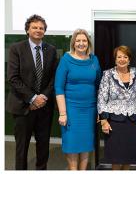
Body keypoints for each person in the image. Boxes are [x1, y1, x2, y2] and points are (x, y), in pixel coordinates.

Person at [6, 14, 57, 170]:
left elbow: (54, 78)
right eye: (34, 27)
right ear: (28, 30)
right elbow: (13, 78)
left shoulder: (51, 50)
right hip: (23, 107)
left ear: (44, 31)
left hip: (44, 107)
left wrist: (43, 98)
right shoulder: (16, 48)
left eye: (41, 28)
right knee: (22, 148)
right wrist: (33, 98)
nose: (38, 30)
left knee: (43, 147)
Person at [54, 29, 101, 170]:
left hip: (90, 109)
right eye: (78, 40)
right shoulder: (66, 60)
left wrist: (100, 111)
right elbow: (59, 87)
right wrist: (63, 113)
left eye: (84, 41)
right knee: (72, 144)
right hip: (71, 109)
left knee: (86, 143)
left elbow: (99, 85)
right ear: (73, 43)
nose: (81, 43)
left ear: (88, 43)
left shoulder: (94, 60)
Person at [97, 45, 136, 170]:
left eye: (125, 57)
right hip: (114, 122)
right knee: (115, 157)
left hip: (133, 120)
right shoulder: (108, 74)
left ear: (129, 59)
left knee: (129, 157)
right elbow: (101, 98)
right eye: (119, 56)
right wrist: (104, 121)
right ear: (115, 59)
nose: (122, 59)